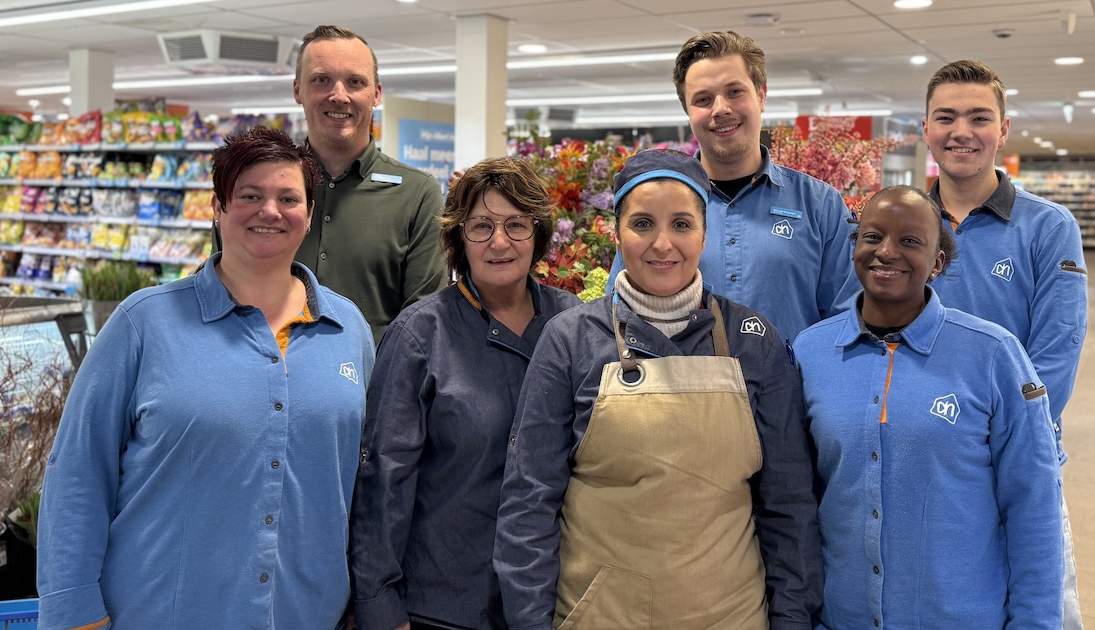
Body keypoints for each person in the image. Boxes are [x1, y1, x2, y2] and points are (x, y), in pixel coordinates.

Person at [36, 126, 376, 629]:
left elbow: (359, 483)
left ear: (308, 216)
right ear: (217, 209)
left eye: (288, 197)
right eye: (249, 196)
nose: (269, 211)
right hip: (160, 614)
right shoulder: (143, 324)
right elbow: (78, 475)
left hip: (307, 615)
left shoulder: (348, 330)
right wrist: (74, 612)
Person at [495, 149, 823, 629]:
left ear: (705, 233)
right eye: (643, 223)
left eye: (682, 225)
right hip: (599, 617)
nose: (663, 244)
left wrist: (791, 620)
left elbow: (789, 507)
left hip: (731, 616)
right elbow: (529, 501)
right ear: (617, 232)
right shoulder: (570, 340)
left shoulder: (754, 341)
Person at [794, 186, 1063, 628]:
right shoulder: (811, 351)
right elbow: (799, 498)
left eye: (910, 241)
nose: (886, 252)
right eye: (872, 237)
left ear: (938, 262)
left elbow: (1033, 504)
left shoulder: (993, 354)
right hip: (843, 616)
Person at [349, 157, 581, 630]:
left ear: (538, 235)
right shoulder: (420, 334)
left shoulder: (573, 324)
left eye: (517, 225)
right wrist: (379, 605)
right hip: (444, 603)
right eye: (481, 226)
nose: (500, 242)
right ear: (457, 238)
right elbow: (382, 480)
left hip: (553, 599)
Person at [922, 59, 1088, 628]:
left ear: (1003, 130)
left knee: (1039, 599)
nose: (960, 131)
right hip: (922, 450)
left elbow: (1056, 353)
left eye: (978, 117)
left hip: (1015, 457)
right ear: (926, 129)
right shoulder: (901, 224)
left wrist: (1005, 435)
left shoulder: (1049, 227)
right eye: (945, 117)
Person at [607, 30, 854, 342]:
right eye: (703, 99)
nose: (720, 109)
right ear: (688, 111)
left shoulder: (821, 205)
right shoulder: (653, 205)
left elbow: (845, 321)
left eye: (735, 92)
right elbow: (621, 311)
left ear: (761, 95)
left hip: (791, 389)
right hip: (681, 386)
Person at [292, 24, 447, 344]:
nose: (339, 95)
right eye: (321, 79)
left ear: (376, 94)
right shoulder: (258, 190)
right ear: (298, 90)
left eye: (355, 82)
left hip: (373, 390)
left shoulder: (416, 194)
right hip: (268, 386)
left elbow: (423, 322)